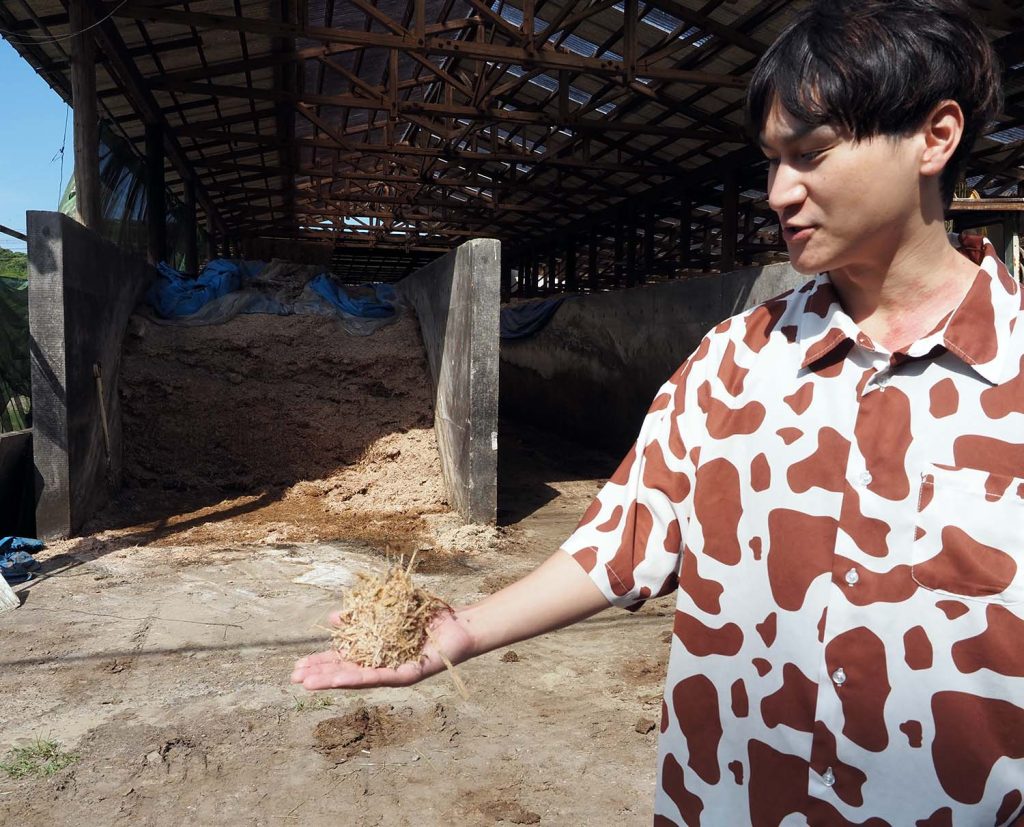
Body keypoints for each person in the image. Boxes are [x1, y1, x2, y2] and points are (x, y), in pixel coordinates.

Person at [294, 1, 1023, 822]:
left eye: (811, 155)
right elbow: (624, 540)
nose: (780, 192)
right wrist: (459, 631)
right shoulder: (734, 362)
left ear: (935, 137)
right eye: (772, 162)